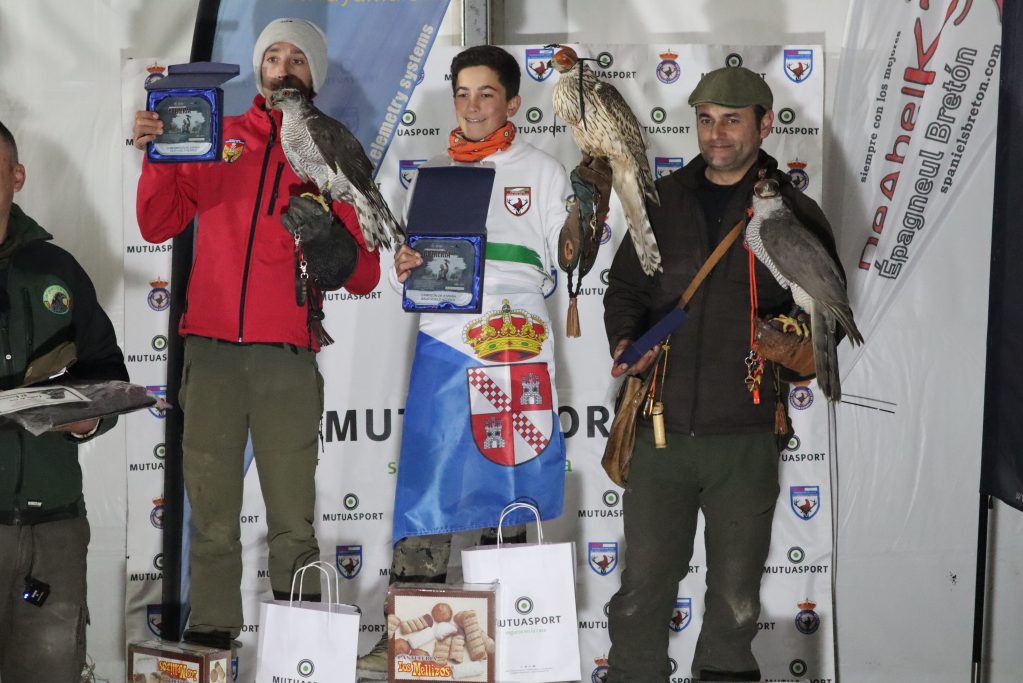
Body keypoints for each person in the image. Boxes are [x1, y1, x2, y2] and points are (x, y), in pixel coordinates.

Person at [356, 45, 605, 677]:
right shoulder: (431, 172)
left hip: (514, 346)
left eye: (486, 94)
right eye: (463, 93)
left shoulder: (544, 171)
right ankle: (417, 648)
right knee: (427, 495)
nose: (472, 106)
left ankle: (518, 644)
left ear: (512, 103)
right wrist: (401, 266)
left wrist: (590, 211)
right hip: (445, 344)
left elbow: (571, 260)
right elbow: (402, 270)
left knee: (509, 486)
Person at [133, 18, 380, 649]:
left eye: (299, 58)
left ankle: (303, 646)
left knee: (292, 520)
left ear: (314, 74)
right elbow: (158, 221)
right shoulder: (215, 135)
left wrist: (329, 239)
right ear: (259, 69)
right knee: (212, 517)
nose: (285, 67)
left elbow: (365, 273)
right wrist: (161, 155)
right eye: (274, 56)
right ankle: (213, 640)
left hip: (285, 357)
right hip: (210, 352)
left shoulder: (330, 147)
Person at [602, 66, 843, 681]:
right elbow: (626, 287)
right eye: (706, 120)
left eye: (732, 120)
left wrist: (790, 342)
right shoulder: (660, 199)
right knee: (639, 596)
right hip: (660, 433)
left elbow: (826, 318)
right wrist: (629, 340)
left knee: (735, 604)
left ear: (764, 124)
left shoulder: (794, 210)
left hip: (745, 433)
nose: (716, 134)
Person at [0, 120, 129, 682]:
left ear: (17, 177)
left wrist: (84, 421)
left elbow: (107, 371)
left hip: (53, 525)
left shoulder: (58, 270)